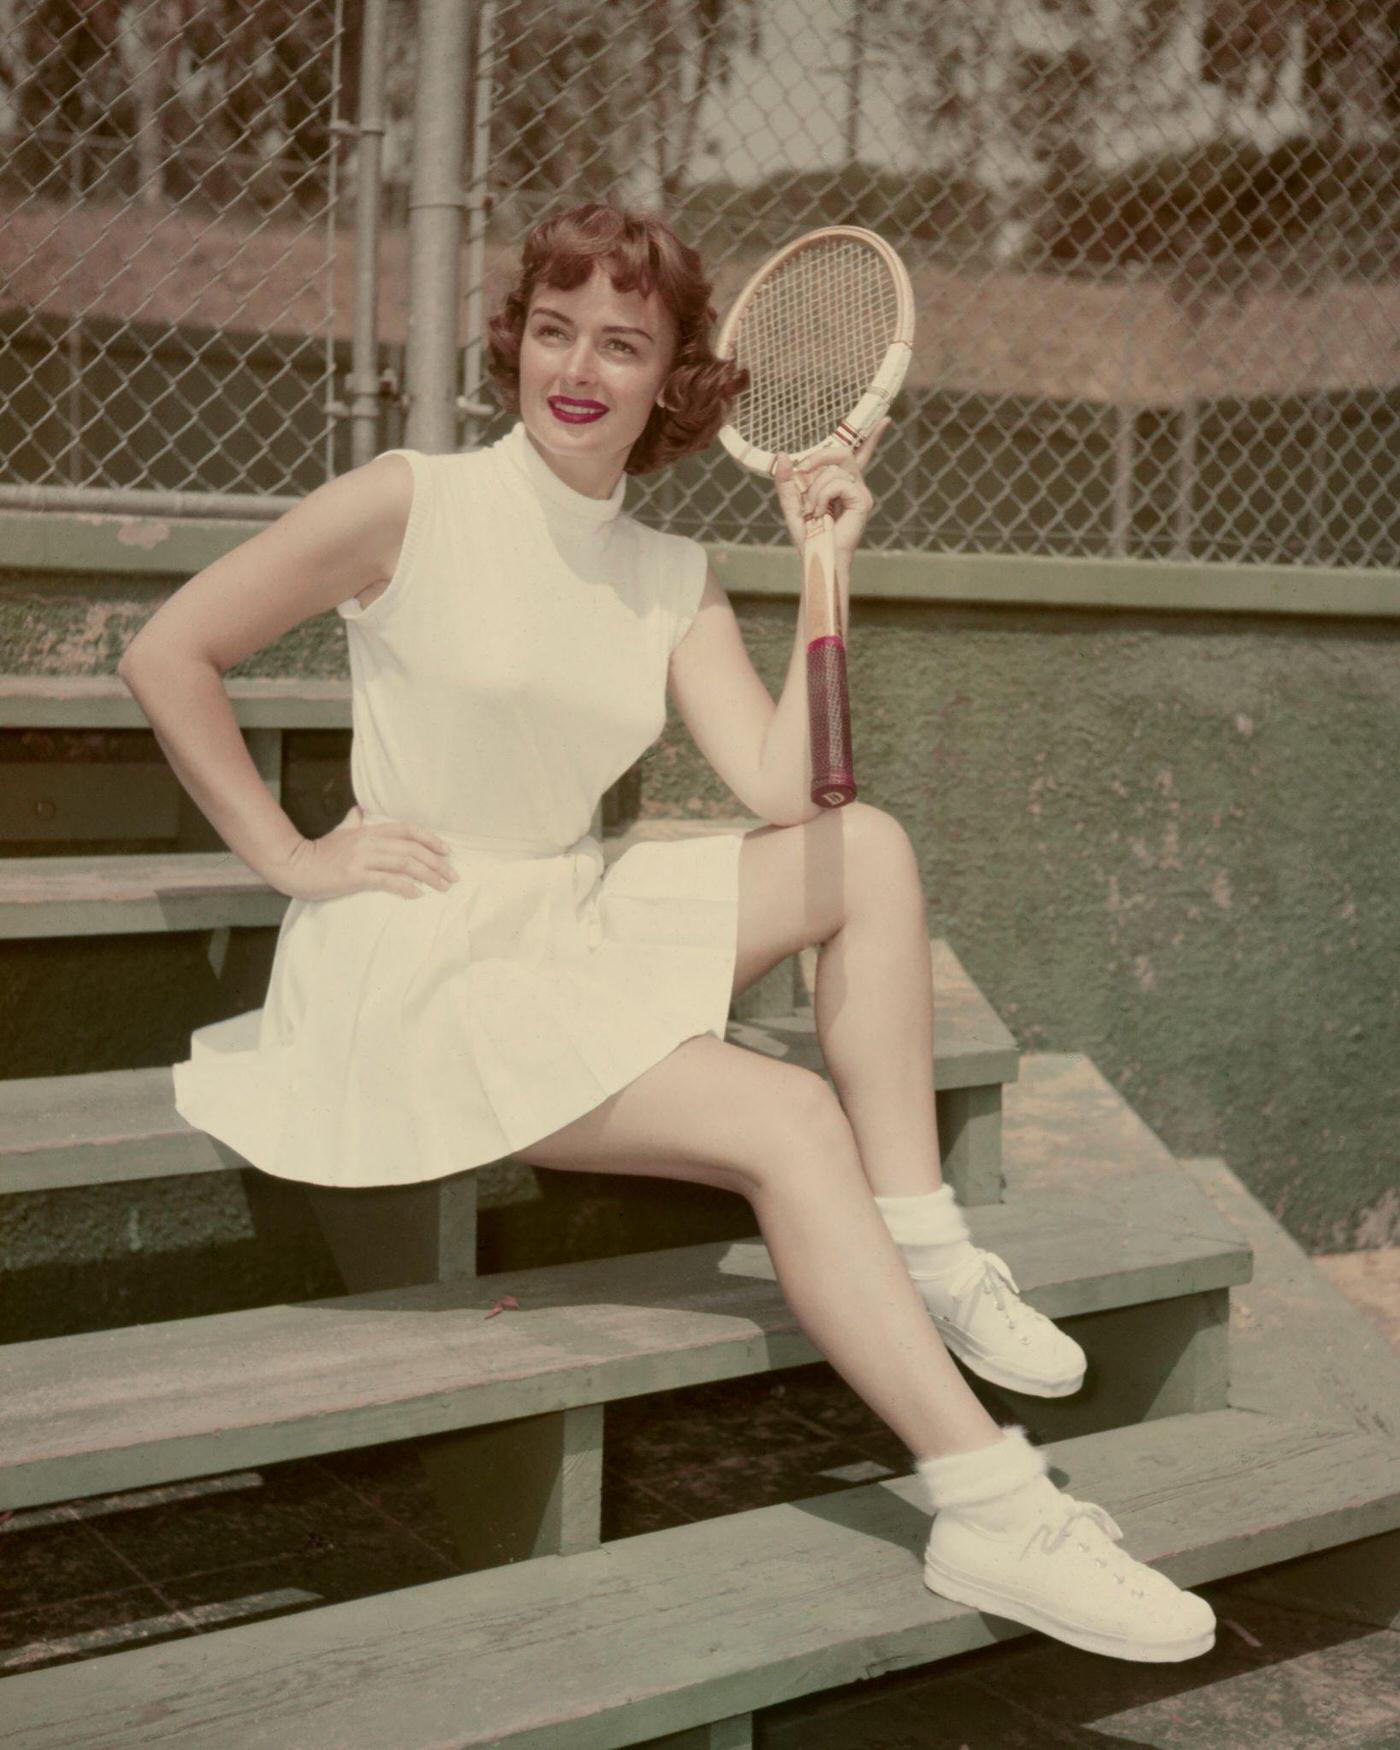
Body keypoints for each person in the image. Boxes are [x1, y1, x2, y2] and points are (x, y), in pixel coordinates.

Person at [117, 202, 1215, 1665]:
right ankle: (990, 1500)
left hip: (569, 904)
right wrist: (292, 857)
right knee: (784, 1114)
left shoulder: (674, 573)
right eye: (553, 329)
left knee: (865, 847)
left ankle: (927, 1244)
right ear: (514, 341)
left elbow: (786, 786)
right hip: (423, 954)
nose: (577, 366)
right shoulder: (407, 498)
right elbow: (166, 650)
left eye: (621, 342)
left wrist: (824, 558)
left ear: (668, 377)